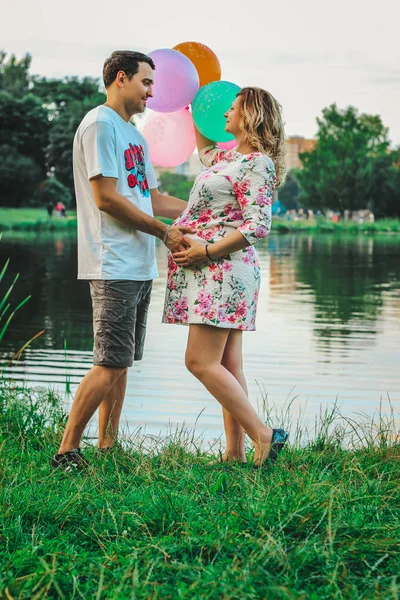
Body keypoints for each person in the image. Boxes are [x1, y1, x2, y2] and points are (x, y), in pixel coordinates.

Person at [51, 50, 192, 470]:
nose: (152, 91)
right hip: (112, 261)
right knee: (109, 359)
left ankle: (107, 447)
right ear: (120, 78)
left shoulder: (135, 135)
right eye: (146, 82)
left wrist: (203, 210)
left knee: (122, 361)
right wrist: (164, 232)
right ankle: (66, 451)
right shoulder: (100, 125)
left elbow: (150, 197)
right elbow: (106, 198)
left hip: (139, 263)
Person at [163, 87, 288, 467]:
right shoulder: (226, 158)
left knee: (199, 362)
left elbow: (257, 225)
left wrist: (205, 250)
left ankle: (265, 437)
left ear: (249, 115)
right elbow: (203, 146)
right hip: (216, 272)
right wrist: (190, 103)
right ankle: (234, 453)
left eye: (231, 109)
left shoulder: (257, 164)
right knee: (229, 366)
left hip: (224, 271)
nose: (224, 115)